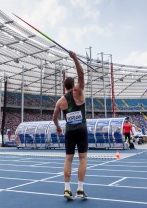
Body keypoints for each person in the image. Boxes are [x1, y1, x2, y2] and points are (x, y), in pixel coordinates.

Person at [53, 51, 88, 200]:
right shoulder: (78, 92)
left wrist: (59, 128)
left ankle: (67, 189)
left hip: (69, 131)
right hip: (81, 130)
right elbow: (81, 75)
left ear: (64, 87)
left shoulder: (60, 102)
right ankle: (80, 188)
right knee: (82, 158)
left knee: (68, 159)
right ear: (73, 85)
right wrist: (74, 58)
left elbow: (54, 118)